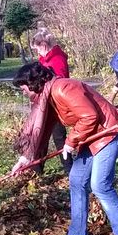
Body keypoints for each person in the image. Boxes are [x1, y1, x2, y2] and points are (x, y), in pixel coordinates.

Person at [11, 62, 118, 235]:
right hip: (91, 137)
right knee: (77, 180)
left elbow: (90, 116)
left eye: (23, 88)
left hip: (108, 134)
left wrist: (70, 141)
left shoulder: (64, 88)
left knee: (100, 186)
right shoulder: (48, 97)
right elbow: (41, 131)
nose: (23, 92)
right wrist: (25, 158)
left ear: (34, 83)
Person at [32, 29, 72, 173]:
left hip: (56, 103)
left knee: (59, 137)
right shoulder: (44, 58)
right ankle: (37, 170)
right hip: (45, 102)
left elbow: (61, 81)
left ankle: (69, 169)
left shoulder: (57, 58)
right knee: (40, 136)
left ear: (43, 44)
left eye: (37, 48)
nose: (37, 52)